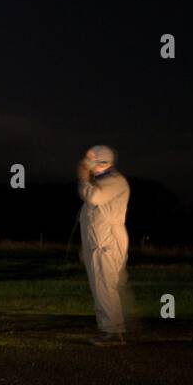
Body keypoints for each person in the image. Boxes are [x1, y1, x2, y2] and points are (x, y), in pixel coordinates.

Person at [77, 145, 132, 346]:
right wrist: (85, 247)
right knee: (100, 287)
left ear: (102, 161)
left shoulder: (115, 181)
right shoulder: (101, 182)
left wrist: (83, 178)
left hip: (107, 242)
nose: (85, 163)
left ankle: (113, 333)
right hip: (98, 242)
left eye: (89, 159)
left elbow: (93, 197)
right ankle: (109, 329)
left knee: (105, 287)